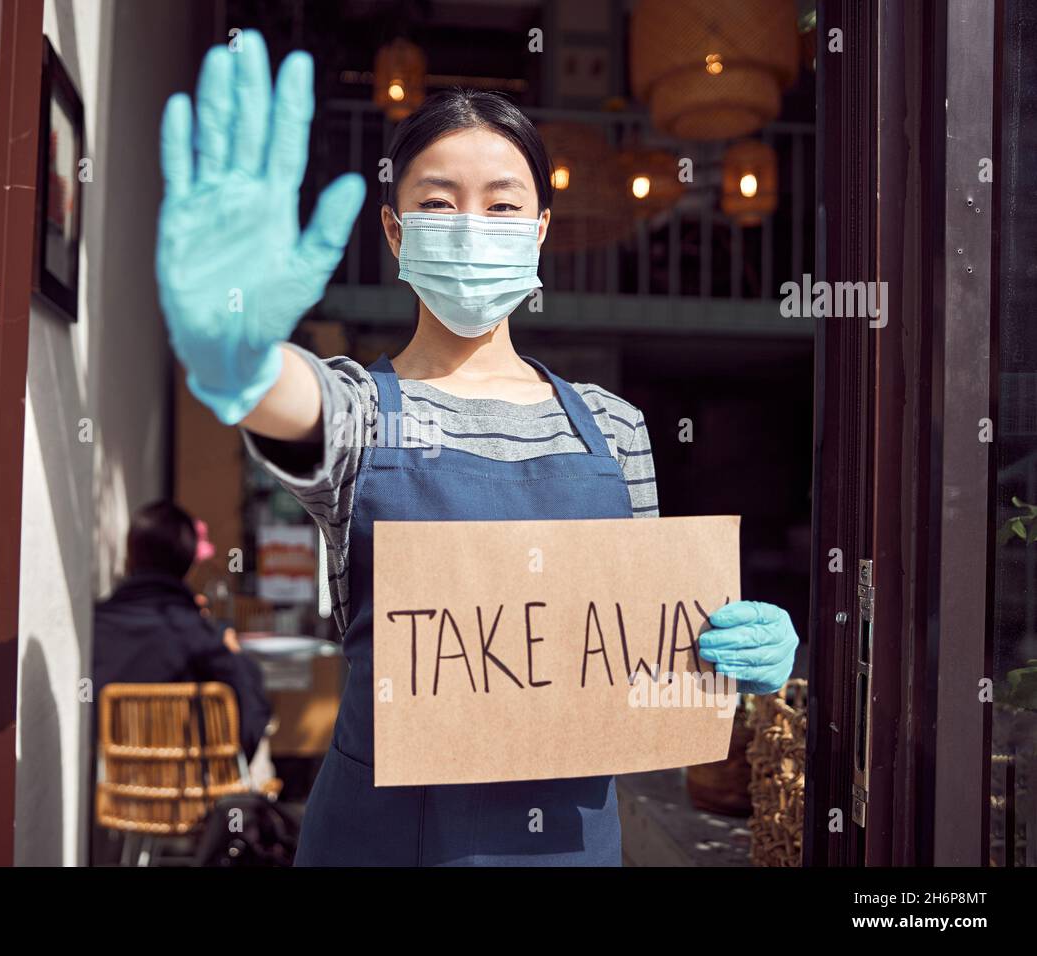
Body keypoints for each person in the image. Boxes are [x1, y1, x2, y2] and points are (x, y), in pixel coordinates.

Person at [154, 30, 800, 866]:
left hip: (569, 841)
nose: (470, 225)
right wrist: (238, 359)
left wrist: (728, 657)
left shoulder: (613, 425)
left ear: (537, 233)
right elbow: (293, 402)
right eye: (436, 202)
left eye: (501, 205)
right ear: (393, 233)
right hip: (383, 839)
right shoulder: (362, 413)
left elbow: (637, 641)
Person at [92, 500, 271, 763]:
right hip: (188, 797)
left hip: (110, 792)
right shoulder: (194, 635)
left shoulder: (94, 626)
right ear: (189, 566)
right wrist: (235, 655)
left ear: (130, 557)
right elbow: (247, 730)